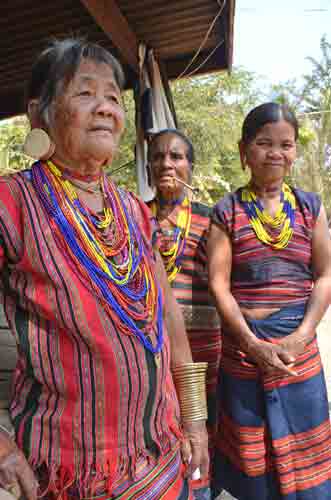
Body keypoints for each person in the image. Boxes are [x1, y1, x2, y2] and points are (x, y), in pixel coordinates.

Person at [0, 38, 210, 500]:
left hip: (162, 452)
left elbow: (168, 315)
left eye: (114, 97)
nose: (105, 108)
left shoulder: (133, 209)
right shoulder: (11, 202)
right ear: (39, 115)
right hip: (71, 473)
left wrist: (194, 416)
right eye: (84, 93)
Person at [207, 102, 331, 499]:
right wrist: (251, 343)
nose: (275, 153)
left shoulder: (311, 207)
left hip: (299, 352)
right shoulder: (227, 211)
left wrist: (301, 335)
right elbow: (218, 284)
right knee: (251, 451)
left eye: (286, 144)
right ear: (244, 151)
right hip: (244, 352)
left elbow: (326, 276)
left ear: (295, 152)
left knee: (305, 448)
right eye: (264, 143)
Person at [147, 130, 222, 498]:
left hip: (205, 353)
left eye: (176, 157)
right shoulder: (132, 217)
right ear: (147, 166)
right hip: (154, 353)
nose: (166, 164)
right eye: (158, 156)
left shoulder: (214, 221)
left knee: (202, 433)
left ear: (190, 166)